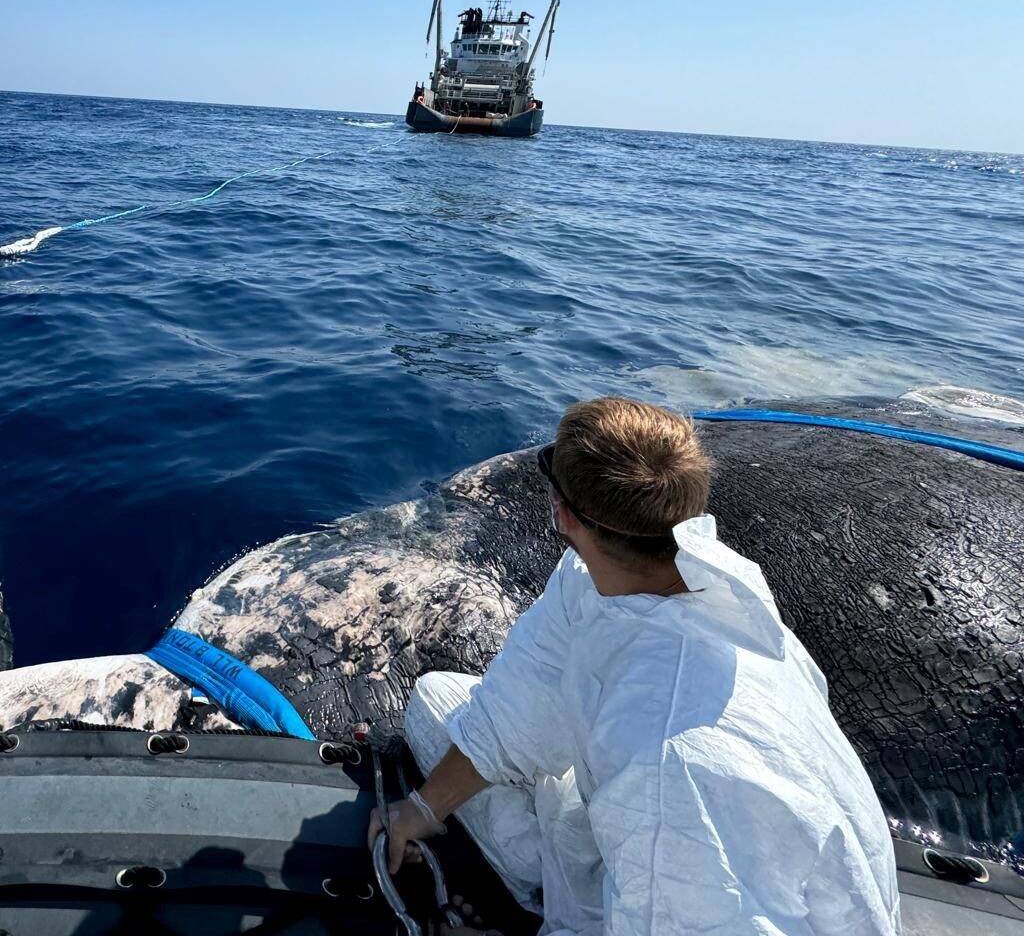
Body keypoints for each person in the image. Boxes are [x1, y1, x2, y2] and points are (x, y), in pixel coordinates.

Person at [373, 397, 899, 934]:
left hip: (706, 896)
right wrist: (421, 809)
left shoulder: (670, 761)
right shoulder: (631, 579)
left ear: (564, 513)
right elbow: (518, 703)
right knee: (436, 698)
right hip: (666, 841)